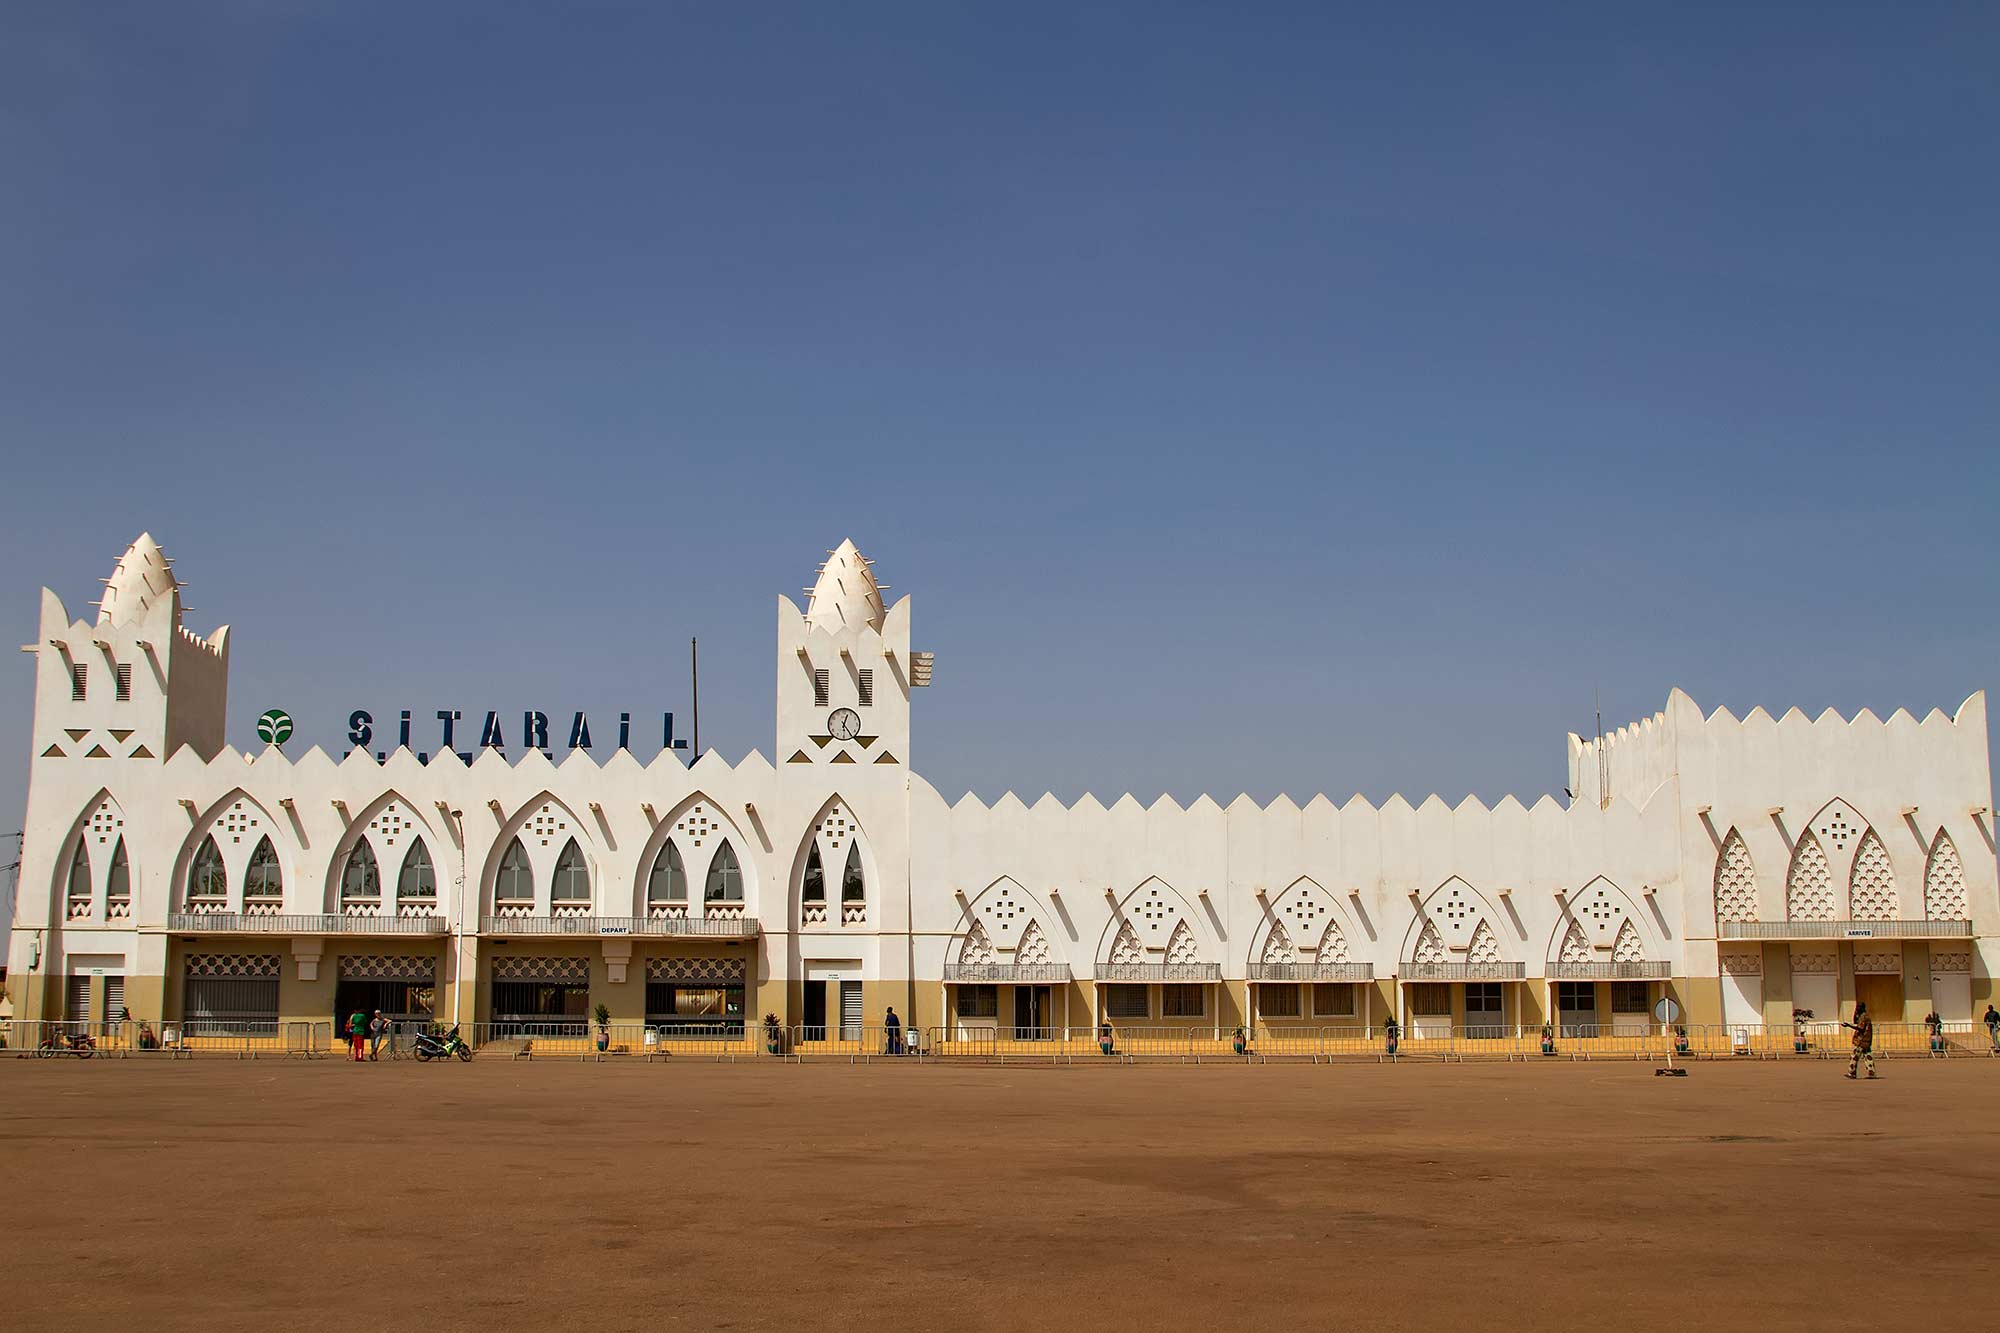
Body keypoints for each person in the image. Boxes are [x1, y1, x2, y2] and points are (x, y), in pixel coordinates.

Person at [1842, 1001, 1876, 1080]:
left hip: (1861, 1039)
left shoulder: (1864, 1017)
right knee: (1867, 1056)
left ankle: (1852, 1072)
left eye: (1858, 1007)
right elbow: (1855, 1021)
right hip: (1866, 1040)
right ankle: (1871, 1072)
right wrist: (1855, 1013)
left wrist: (1848, 1025)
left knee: (1854, 1056)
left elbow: (1860, 1028)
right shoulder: (1863, 1016)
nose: (1857, 1009)